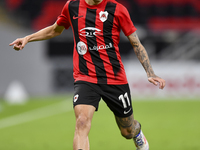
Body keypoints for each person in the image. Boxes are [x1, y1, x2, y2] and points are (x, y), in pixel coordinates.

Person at [9, 0, 166, 149]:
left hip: (114, 78)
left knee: (127, 131)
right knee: (82, 122)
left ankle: (137, 132)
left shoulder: (117, 10)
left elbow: (136, 43)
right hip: (85, 77)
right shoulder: (72, 7)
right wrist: (27, 38)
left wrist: (150, 72)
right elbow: (55, 29)